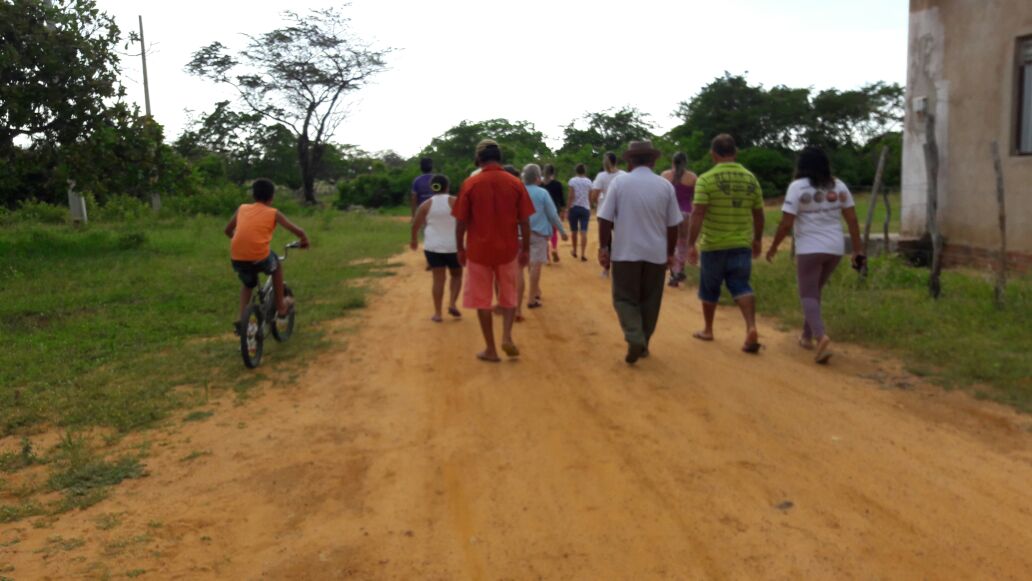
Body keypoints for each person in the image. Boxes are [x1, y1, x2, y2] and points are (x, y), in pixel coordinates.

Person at [766, 146, 864, 364]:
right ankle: (806, 336)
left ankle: (821, 337)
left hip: (809, 248)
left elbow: (786, 224)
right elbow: (852, 220)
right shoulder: (839, 186)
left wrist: (773, 247)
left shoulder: (797, 187)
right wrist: (857, 250)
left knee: (807, 293)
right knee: (814, 291)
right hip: (835, 249)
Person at [597, 141, 682, 364]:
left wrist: (604, 247)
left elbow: (605, 218)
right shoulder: (665, 186)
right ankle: (643, 343)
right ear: (653, 161)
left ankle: (635, 336)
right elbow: (673, 225)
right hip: (656, 254)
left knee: (624, 298)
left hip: (625, 253)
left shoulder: (619, 183)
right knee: (650, 301)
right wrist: (670, 253)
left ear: (629, 161)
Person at [453, 139, 535, 362]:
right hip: (508, 250)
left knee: (482, 300)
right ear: (500, 159)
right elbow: (525, 221)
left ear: (479, 160)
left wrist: (459, 248)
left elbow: (461, 222)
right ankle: (507, 336)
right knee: (508, 294)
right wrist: (525, 249)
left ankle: (490, 349)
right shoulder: (515, 183)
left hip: (478, 251)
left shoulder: (470, 184)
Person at [686, 134, 765, 353]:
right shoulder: (750, 178)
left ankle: (708, 330)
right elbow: (758, 213)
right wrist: (757, 239)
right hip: (741, 244)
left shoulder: (706, 179)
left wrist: (691, 243)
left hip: (713, 244)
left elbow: (698, 213)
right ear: (735, 153)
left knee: (710, 288)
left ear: (713, 154)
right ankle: (751, 327)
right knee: (741, 285)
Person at [225, 178, 310, 334]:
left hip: (237, 257)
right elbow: (297, 230)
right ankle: (281, 306)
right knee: (276, 265)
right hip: (259, 257)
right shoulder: (273, 213)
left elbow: (227, 230)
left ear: (253, 195)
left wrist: (240, 240)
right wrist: (304, 240)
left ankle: (242, 319)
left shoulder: (242, 208)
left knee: (248, 284)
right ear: (272, 197)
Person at [411, 174, 464, 323]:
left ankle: (438, 313)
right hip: (453, 246)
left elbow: (415, 225)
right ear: (447, 187)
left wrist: (414, 240)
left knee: (438, 279)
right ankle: (452, 303)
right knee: (456, 276)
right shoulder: (456, 202)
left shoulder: (425, 205)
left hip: (433, 247)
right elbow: (465, 221)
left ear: (432, 188)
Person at [518, 164, 569, 315]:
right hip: (538, 234)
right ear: (537, 178)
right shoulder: (542, 193)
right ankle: (531, 298)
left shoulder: (518, 191)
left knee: (526, 263)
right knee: (536, 265)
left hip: (520, 234)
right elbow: (552, 214)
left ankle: (535, 291)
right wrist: (562, 231)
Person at [660, 152, 698, 287]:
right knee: (683, 242)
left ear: (672, 161)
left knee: (671, 242)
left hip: (669, 212)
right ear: (685, 162)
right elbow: (695, 198)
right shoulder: (692, 177)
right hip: (686, 212)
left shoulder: (664, 175)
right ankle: (680, 269)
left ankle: (673, 272)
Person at [591, 152, 626, 277]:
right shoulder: (623, 175)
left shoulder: (601, 176)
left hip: (604, 212)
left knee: (606, 242)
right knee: (621, 240)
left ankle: (606, 269)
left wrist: (598, 203)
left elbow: (594, 195)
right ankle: (620, 268)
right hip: (620, 212)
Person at [566, 163, 593, 261]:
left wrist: (567, 208)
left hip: (574, 207)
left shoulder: (572, 181)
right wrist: (590, 207)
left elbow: (571, 196)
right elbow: (590, 197)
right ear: (584, 171)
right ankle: (583, 254)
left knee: (574, 231)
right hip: (585, 207)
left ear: (576, 171)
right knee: (583, 231)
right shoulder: (589, 181)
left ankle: (574, 250)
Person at [541, 164, 566, 263]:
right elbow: (561, 199)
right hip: (554, 209)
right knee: (554, 231)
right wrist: (563, 211)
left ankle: (547, 256)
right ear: (553, 172)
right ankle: (554, 248)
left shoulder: (540, 184)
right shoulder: (557, 184)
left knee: (543, 233)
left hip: (542, 210)